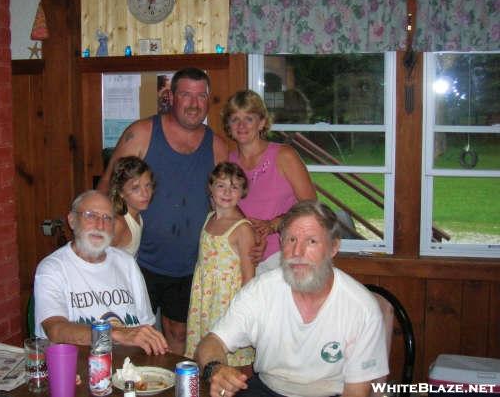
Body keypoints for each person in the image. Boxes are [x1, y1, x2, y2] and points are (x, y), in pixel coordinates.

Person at [195, 200, 389, 397]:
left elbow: (357, 392)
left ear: (333, 247)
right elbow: (211, 343)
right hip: (267, 390)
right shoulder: (261, 290)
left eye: (311, 241)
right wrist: (216, 369)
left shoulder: (361, 308)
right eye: (291, 240)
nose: (298, 252)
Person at [98, 67, 229, 354]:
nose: (194, 104)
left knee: (178, 334)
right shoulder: (142, 133)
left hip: (189, 263)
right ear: (170, 97)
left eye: (201, 96)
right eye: (186, 95)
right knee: (130, 335)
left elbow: (229, 203)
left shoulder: (217, 145)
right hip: (136, 261)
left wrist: (247, 233)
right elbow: (106, 187)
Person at [33, 190, 168, 355]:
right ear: (72, 220)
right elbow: (56, 330)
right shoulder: (52, 268)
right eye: (91, 215)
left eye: (107, 218)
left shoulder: (126, 263)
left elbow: (147, 324)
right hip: (78, 368)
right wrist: (115, 334)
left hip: (129, 369)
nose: (100, 225)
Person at [222, 90, 316, 269]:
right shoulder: (228, 162)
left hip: (284, 255)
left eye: (249, 118)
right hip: (242, 256)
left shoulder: (284, 155)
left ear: (262, 122)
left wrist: (274, 224)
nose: (241, 125)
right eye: (235, 119)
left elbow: (311, 205)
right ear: (228, 125)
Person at [185, 162, 255, 365]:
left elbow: (249, 277)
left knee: (227, 357)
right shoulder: (209, 218)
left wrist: (242, 312)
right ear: (211, 188)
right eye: (221, 185)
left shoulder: (242, 229)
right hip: (205, 299)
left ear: (243, 192)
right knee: (203, 354)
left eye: (234, 187)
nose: (227, 192)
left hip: (226, 303)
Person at [108, 156, 155, 256]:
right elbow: (96, 259)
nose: (145, 194)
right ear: (121, 192)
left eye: (148, 185)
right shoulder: (119, 224)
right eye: (135, 188)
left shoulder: (137, 215)